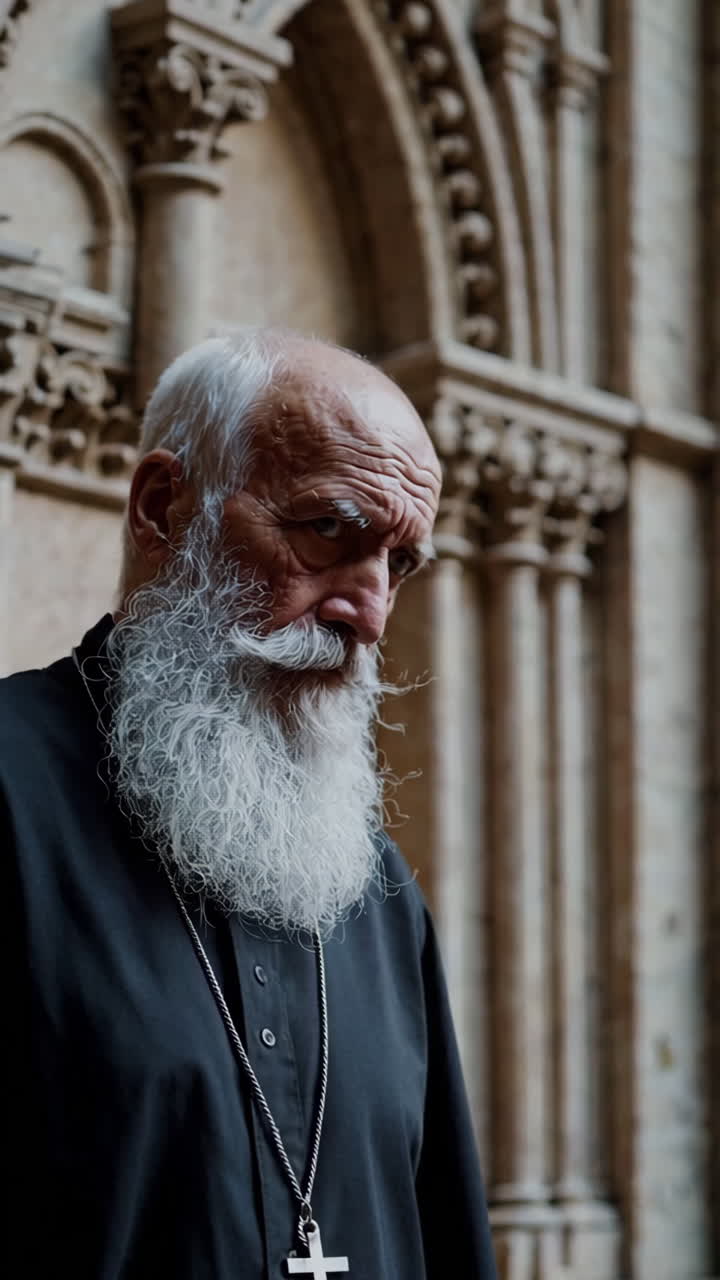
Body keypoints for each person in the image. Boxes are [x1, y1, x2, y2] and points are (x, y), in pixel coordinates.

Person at [1, 328, 497, 1279]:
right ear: (161, 507)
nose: (370, 612)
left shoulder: (375, 886)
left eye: (396, 563)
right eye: (328, 530)